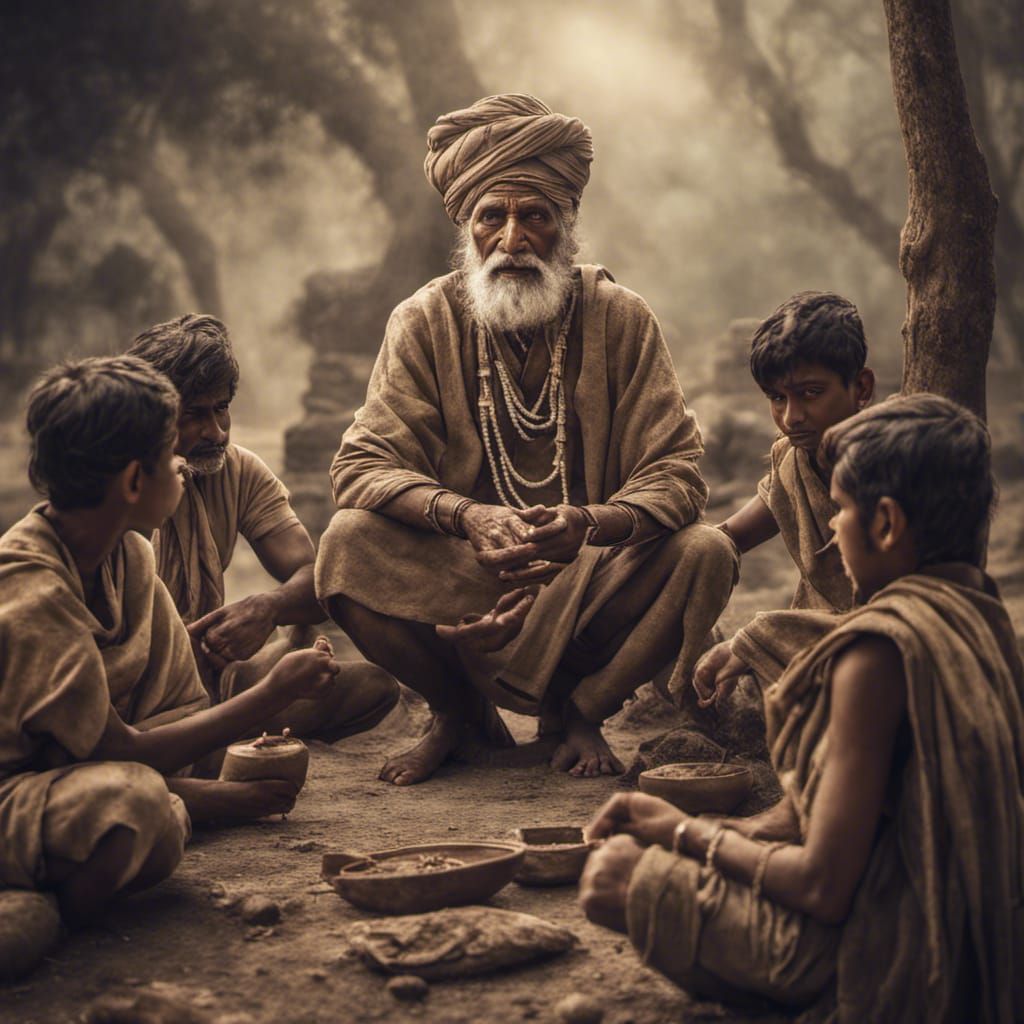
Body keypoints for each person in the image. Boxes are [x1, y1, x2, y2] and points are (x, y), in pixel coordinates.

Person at [316, 93, 738, 786]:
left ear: (567, 226)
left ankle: (580, 712)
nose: (512, 240)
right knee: (345, 543)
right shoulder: (424, 319)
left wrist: (588, 524)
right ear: (468, 229)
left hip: (593, 565)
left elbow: (679, 474)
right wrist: (469, 517)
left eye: (534, 216)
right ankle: (455, 715)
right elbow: (362, 464)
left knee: (707, 550)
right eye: (492, 217)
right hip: (468, 569)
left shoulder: (623, 320)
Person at [581, 395, 1023, 1021]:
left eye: (841, 510)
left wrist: (675, 830)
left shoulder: (875, 655)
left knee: (615, 875)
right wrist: (715, 835)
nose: (834, 528)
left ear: (888, 523)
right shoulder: (979, 612)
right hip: (978, 939)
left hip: (908, 963)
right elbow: (823, 820)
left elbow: (821, 885)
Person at [0, 357, 342, 975]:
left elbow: (179, 706)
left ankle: (167, 812)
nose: (186, 465)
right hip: (25, 787)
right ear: (135, 481)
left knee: (166, 806)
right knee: (138, 805)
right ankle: (51, 919)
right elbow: (118, 751)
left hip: (84, 769)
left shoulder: (128, 553)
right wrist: (270, 693)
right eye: (171, 455)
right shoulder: (33, 590)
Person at [128, 315, 398, 741]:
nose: (216, 431)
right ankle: (209, 730)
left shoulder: (239, 470)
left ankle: (219, 718)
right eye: (193, 415)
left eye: (222, 409)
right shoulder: (117, 482)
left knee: (373, 689)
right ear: (150, 418)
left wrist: (266, 608)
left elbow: (315, 579)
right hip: (128, 685)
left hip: (210, 673)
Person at [693, 292, 874, 706]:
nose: (791, 417)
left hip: (881, 648)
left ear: (861, 386)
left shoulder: (894, 466)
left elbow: (899, 611)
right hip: (815, 646)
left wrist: (757, 640)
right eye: (778, 398)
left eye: (811, 393)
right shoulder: (792, 459)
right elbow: (727, 538)